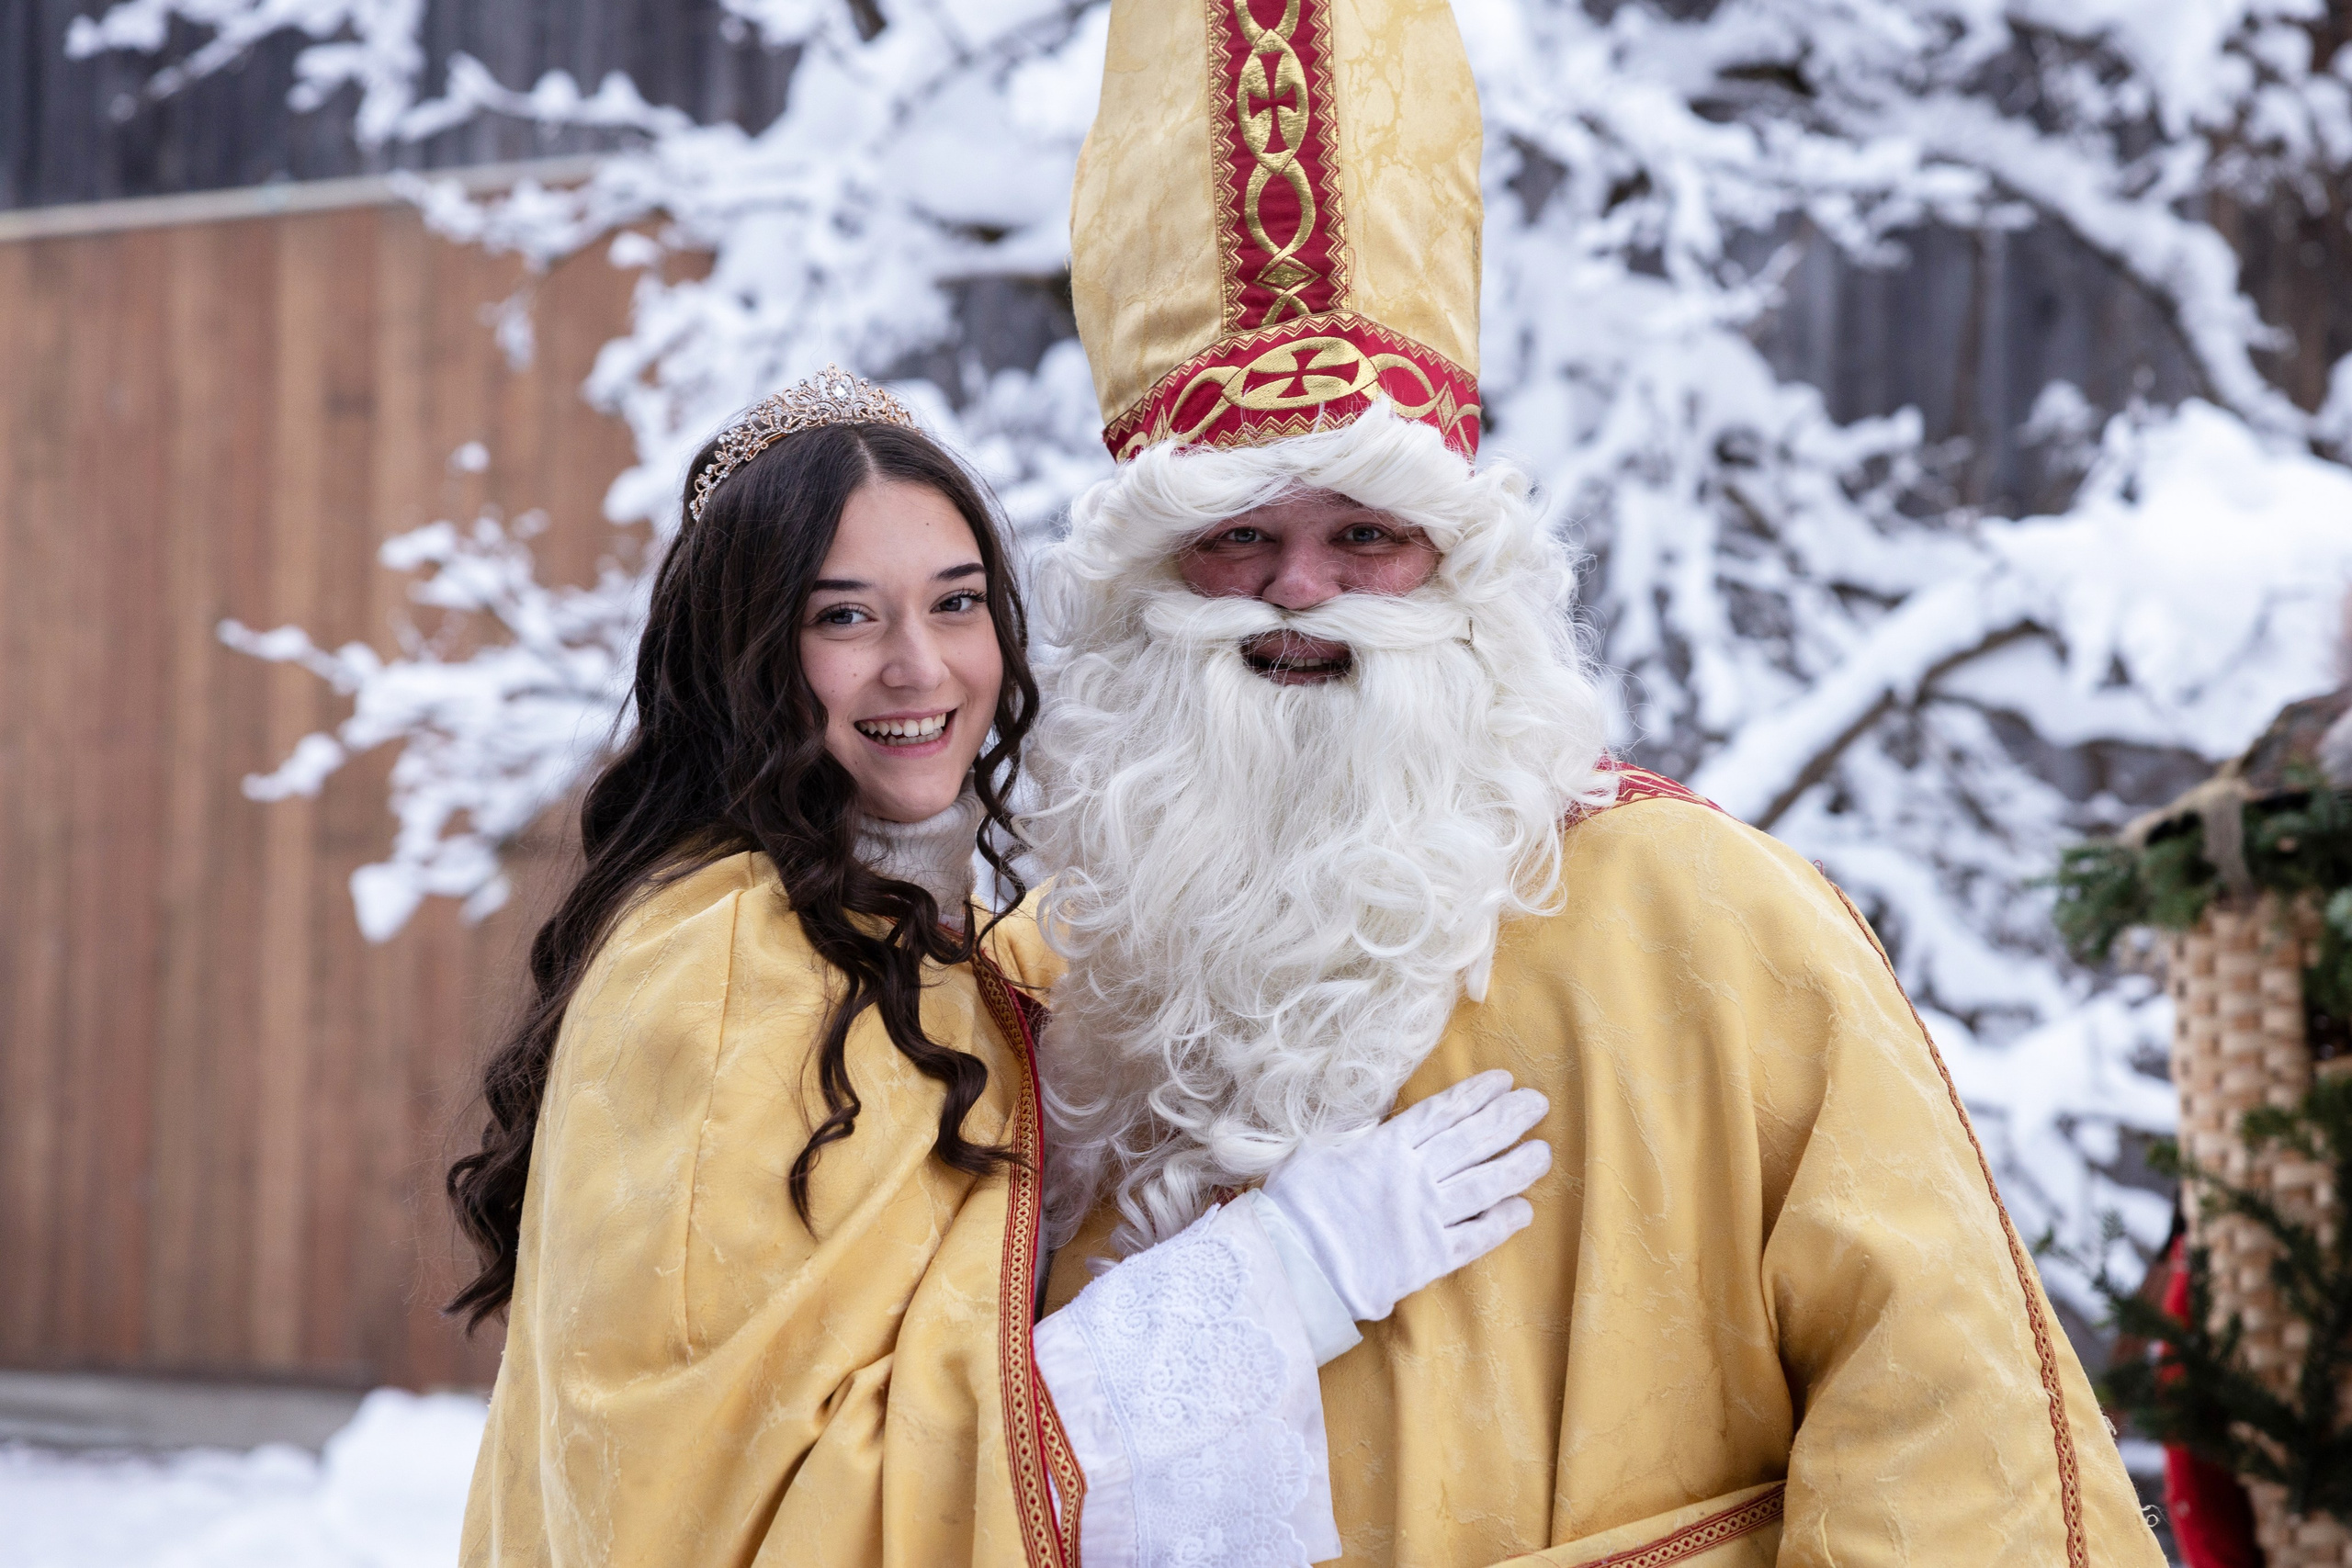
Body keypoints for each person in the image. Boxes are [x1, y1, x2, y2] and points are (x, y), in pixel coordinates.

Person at [1023, 1, 2170, 1563]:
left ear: (1463, 570)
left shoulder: (1718, 923)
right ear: (1147, 576)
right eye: (1237, 536)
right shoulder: (1043, 993)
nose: (1301, 595)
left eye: (1366, 533)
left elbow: (1955, 1436)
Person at [445, 368, 1551, 1567]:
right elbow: (751, 1508)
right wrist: (1284, 1277)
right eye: (845, 616)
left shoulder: (928, 950)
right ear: (744, 654)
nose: (919, 669)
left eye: (956, 603)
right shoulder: (734, 959)